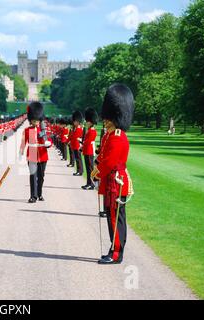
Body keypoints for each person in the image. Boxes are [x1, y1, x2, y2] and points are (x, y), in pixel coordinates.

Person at [92, 84, 135, 265]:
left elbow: (109, 162)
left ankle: (117, 253)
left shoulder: (118, 136)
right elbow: (103, 156)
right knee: (111, 217)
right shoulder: (110, 135)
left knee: (115, 219)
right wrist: (96, 164)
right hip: (111, 182)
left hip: (115, 183)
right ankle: (113, 248)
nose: (105, 121)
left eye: (108, 118)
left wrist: (96, 173)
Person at [20, 102, 52, 203]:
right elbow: (23, 142)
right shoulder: (27, 130)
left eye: (37, 120)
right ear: (31, 120)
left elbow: (49, 140)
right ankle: (33, 196)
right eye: (34, 120)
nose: (36, 122)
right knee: (32, 175)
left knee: (41, 176)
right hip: (32, 155)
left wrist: (48, 143)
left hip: (42, 154)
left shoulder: (44, 130)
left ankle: (39, 194)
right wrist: (20, 152)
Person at [82, 108, 98, 190]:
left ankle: (91, 184)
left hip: (89, 151)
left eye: (87, 121)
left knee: (90, 169)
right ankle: (88, 183)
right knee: (88, 169)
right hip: (87, 151)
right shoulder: (89, 130)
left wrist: (82, 145)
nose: (86, 122)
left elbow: (87, 142)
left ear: (91, 122)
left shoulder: (92, 131)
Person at [70, 111, 84, 176]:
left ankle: (80, 171)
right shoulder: (75, 128)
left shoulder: (79, 128)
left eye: (75, 121)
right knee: (77, 159)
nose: (74, 122)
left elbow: (79, 138)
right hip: (74, 145)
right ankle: (79, 170)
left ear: (78, 121)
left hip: (78, 146)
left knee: (78, 159)